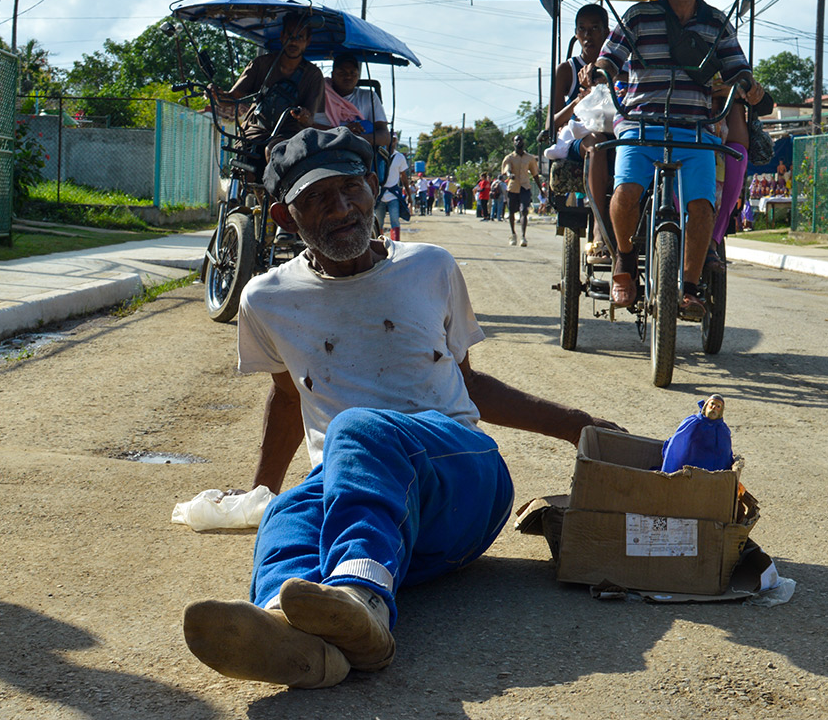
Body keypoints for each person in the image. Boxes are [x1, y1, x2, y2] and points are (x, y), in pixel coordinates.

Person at [182, 127, 619, 689]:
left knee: (356, 430)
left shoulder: (430, 267)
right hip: (372, 512)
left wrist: (578, 426)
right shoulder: (265, 299)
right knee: (289, 514)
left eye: (349, 190)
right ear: (285, 217)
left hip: (461, 486)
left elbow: (468, 385)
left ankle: (363, 604)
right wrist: (262, 490)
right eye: (315, 198)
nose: (340, 209)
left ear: (372, 188)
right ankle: (296, 639)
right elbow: (290, 396)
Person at [590, 0, 765, 318]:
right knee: (626, 190)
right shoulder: (637, 17)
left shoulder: (717, 23)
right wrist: (600, 69)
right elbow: (610, 56)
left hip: (695, 127)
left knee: (702, 206)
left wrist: (747, 83)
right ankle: (624, 259)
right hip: (640, 122)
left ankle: (688, 287)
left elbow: (737, 67)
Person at [209, 13, 325, 155]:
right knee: (245, 159)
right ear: (282, 37)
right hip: (256, 130)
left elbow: (309, 120)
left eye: (300, 37)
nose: (294, 42)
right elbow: (231, 98)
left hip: (291, 135)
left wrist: (303, 116)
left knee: (274, 150)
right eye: (290, 36)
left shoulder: (313, 75)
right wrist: (217, 95)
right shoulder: (261, 64)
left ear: (307, 41)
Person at [551, 4, 614, 264]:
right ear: (576, 34)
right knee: (597, 143)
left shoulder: (621, 67)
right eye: (582, 30)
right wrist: (578, 100)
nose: (588, 36)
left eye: (594, 29)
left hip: (619, 133)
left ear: (606, 32)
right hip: (581, 139)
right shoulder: (566, 70)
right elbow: (552, 123)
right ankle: (600, 227)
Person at [297, 51, 390, 150]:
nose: (348, 76)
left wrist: (358, 139)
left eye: (352, 73)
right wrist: (342, 132)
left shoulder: (368, 96)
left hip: (357, 153)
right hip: (321, 148)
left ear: (358, 75)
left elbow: (385, 135)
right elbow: (306, 125)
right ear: (333, 75)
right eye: (342, 73)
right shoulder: (319, 92)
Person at [501, 135, 541, 246]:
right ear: (513, 143)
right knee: (512, 211)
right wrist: (510, 175)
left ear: (524, 142)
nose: (518, 142)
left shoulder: (530, 158)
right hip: (513, 188)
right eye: (516, 140)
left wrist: (541, 190)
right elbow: (507, 169)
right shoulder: (509, 158)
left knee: (524, 211)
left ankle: (523, 236)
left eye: (520, 140)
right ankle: (513, 234)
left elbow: (535, 175)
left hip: (525, 187)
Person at [374, 135, 409, 241]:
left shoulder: (399, 157)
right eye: (390, 140)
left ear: (396, 142)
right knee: (378, 222)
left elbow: (403, 176)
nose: (392, 143)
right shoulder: (378, 155)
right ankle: (379, 243)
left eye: (394, 140)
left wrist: (408, 192)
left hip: (393, 195)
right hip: (380, 194)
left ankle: (396, 244)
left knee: (395, 221)